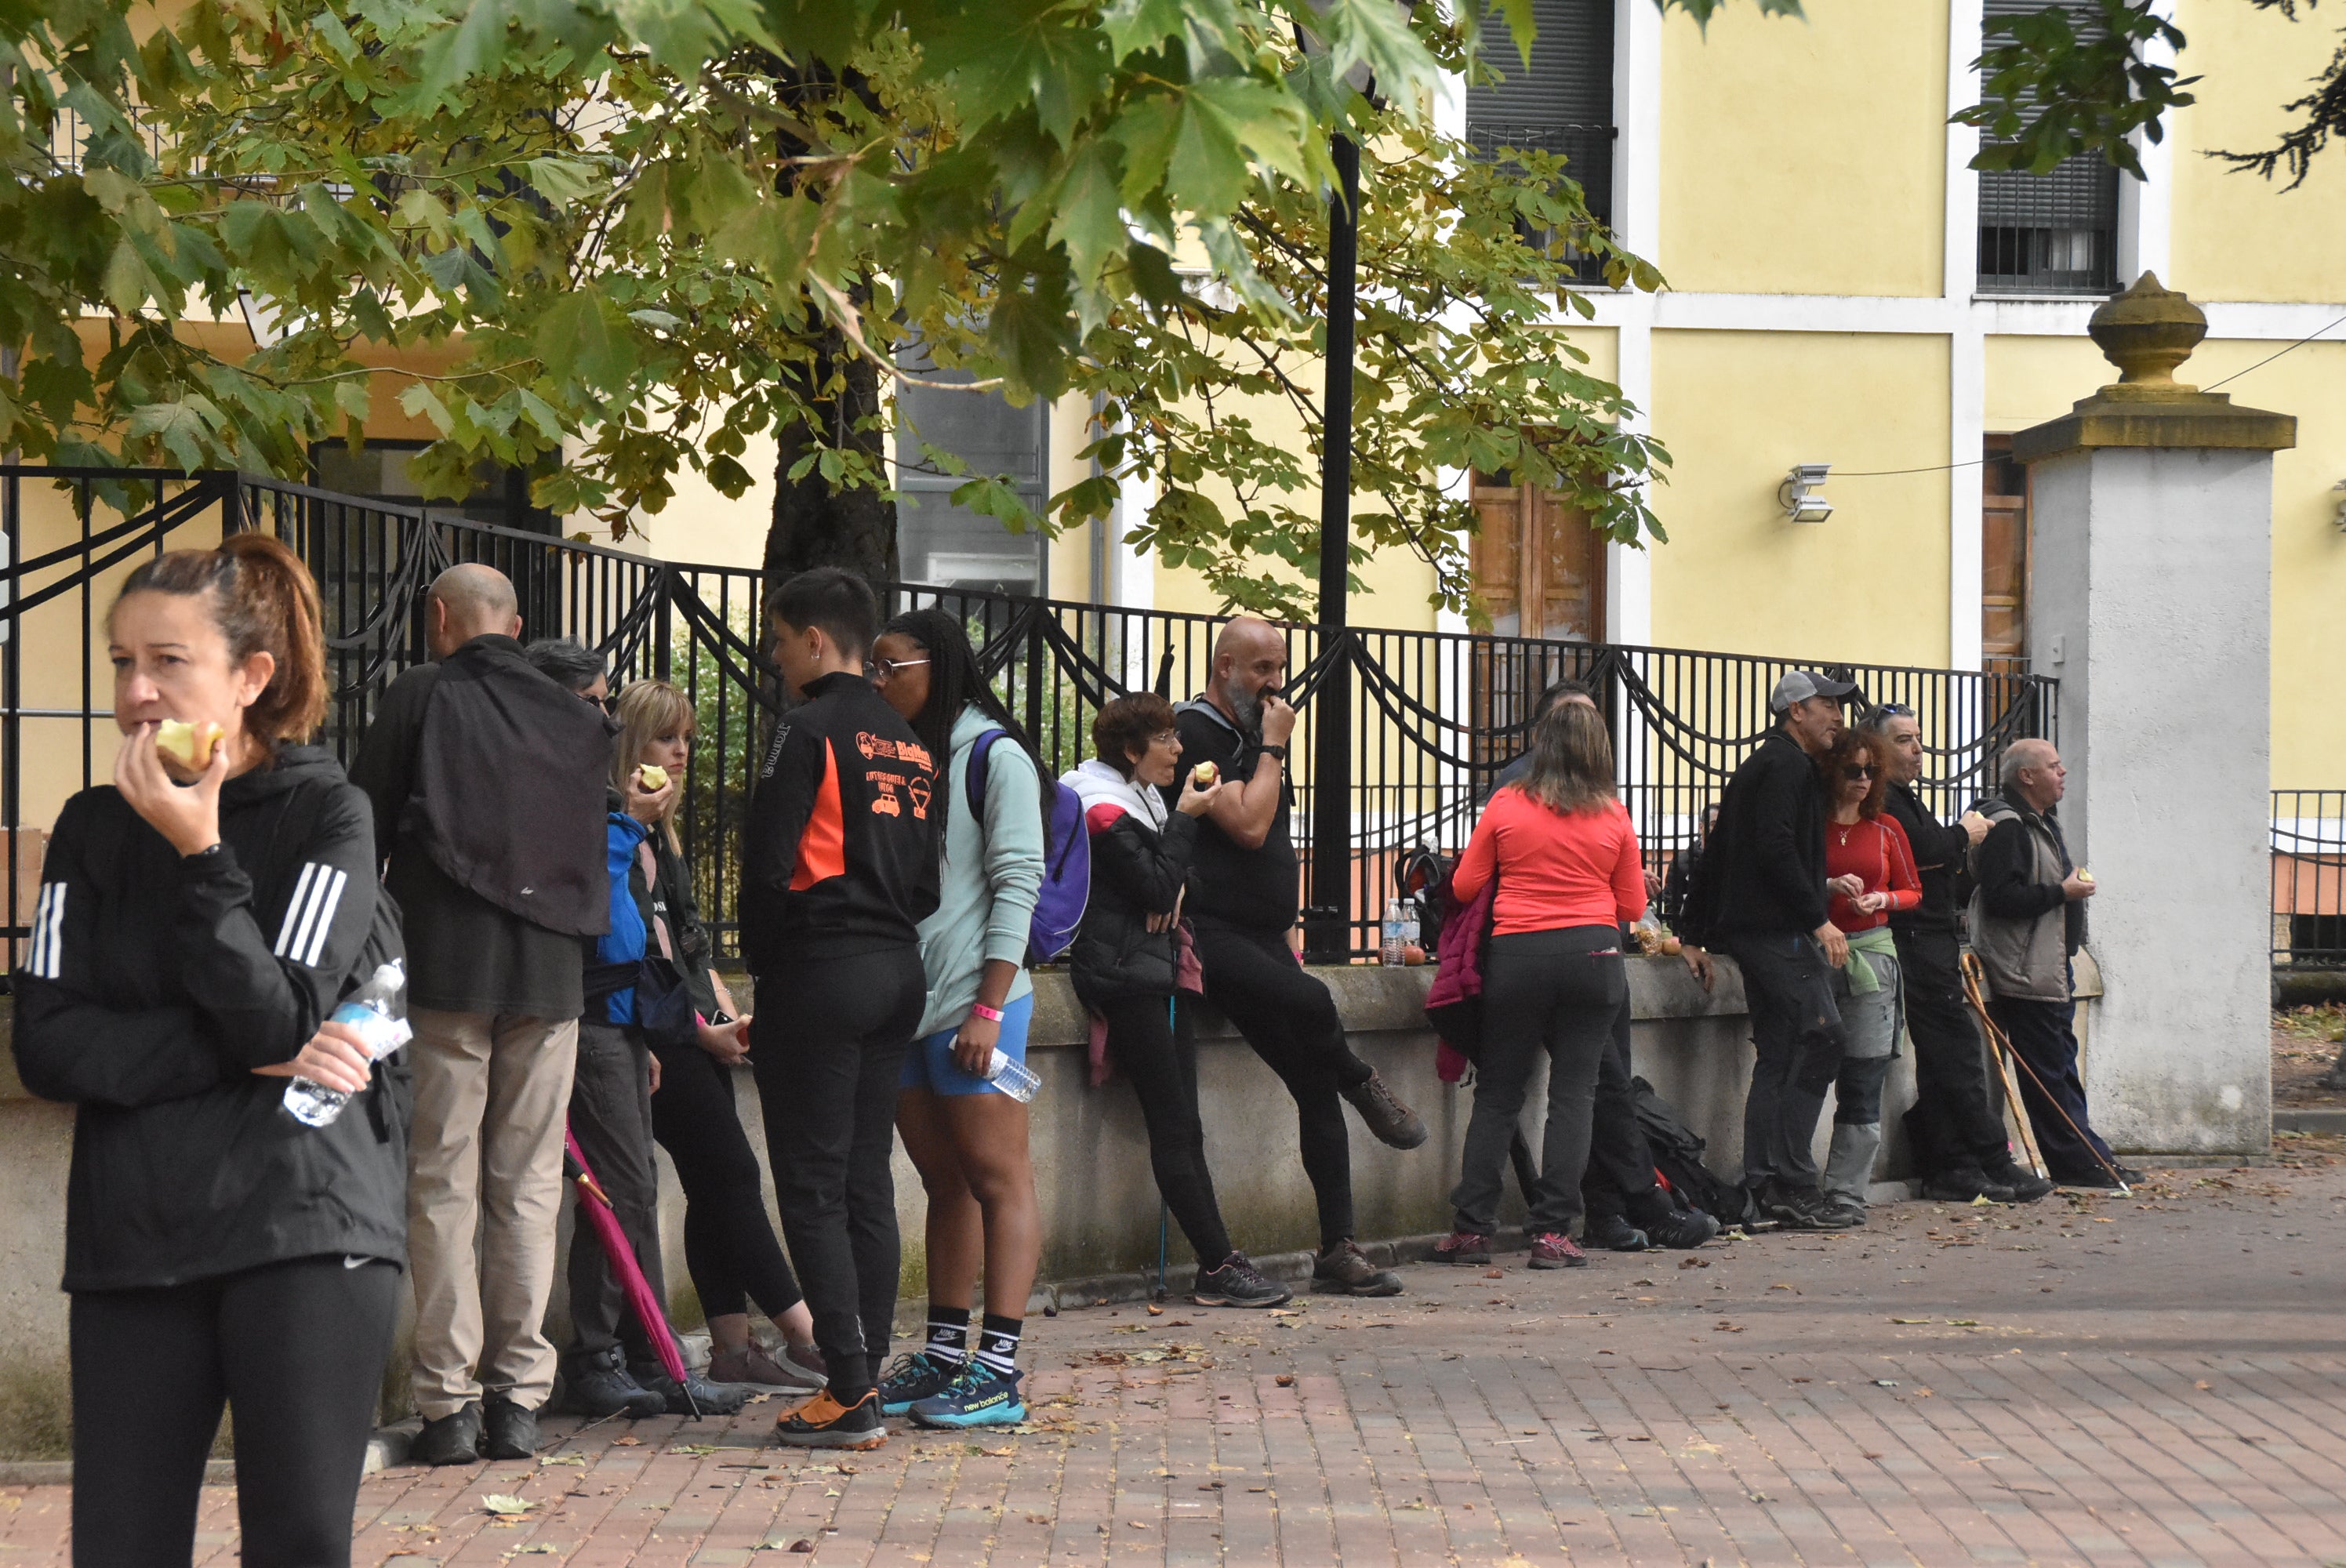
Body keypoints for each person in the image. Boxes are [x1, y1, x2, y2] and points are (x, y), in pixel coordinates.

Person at [14, 535, 406, 1564]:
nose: (138, 691)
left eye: (168, 661)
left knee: (298, 1541)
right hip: (134, 1239)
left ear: (251, 677)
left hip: (304, 1227)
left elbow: (278, 1018)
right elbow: (48, 1046)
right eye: (122, 663)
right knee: (121, 1546)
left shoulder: (331, 814)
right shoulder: (92, 829)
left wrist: (200, 851)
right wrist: (250, 1051)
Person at [350, 564, 616, 1465]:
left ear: (439, 618)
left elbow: (365, 828)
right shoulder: (579, 717)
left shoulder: (420, 695)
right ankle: (518, 1399)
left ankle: (448, 1404)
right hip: (550, 980)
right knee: (530, 1187)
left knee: (443, 1181)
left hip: (444, 972)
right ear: (517, 621)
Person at [743, 568, 942, 1449]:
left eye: (781, 639)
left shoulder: (806, 726)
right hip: (898, 965)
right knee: (865, 1173)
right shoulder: (908, 739)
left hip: (822, 966)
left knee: (812, 1181)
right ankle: (873, 1366)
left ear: (816, 640)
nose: (778, 656)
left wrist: (765, 970)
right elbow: (929, 881)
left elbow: (766, 864)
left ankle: (847, 1385)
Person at [526, 641, 746, 1421]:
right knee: (622, 1190)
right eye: (595, 701)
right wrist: (628, 824)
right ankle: (619, 1356)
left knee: (630, 1188)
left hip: (621, 1020)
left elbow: (660, 936)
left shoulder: (632, 815)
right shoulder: (574, 794)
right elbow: (589, 902)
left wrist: (656, 1033)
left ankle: (632, 1352)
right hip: (585, 1014)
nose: (604, 715)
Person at [1170, 617, 1421, 1298]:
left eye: (1279, 667)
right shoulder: (1195, 734)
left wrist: (1286, 933)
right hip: (1210, 934)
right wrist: (1275, 748)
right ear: (1224, 666)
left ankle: (1338, 1249)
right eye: (1261, 669)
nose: (1276, 683)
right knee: (1317, 1004)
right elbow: (1249, 827)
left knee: (1314, 1082)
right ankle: (1362, 1077)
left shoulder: (1252, 740)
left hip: (1264, 937)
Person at [609, 677, 830, 1388]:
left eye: (686, 741)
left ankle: (734, 1349)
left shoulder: (658, 829)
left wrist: (716, 1002)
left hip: (690, 1027)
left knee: (715, 1185)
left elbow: (684, 937)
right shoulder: (615, 826)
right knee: (731, 1174)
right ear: (629, 745)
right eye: (665, 739)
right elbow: (622, 951)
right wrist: (689, 1025)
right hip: (654, 1037)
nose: (679, 755)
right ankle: (806, 1333)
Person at [867, 609, 1048, 1429]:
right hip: (913, 1007)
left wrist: (985, 1004)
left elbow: (1019, 881)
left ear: (933, 665)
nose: (877, 680)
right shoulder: (904, 755)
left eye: (889, 665)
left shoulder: (993, 755)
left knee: (996, 1175)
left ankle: (999, 1368)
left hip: (981, 1009)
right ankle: (944, 1351)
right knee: (945, 1181)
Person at [1065, 693, 1295, 1310]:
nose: (1178, 749)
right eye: (1165, 739)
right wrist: (1186, 821)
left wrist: (1173, 865)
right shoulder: (1100, 805)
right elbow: (1160, 880)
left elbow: (1186, 882)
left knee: (1186, 1124)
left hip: (1154, 968)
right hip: (1126, 975)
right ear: (1133, 751)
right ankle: (1218, 1265)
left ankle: (1218, 1261)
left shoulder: (1138, 798)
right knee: (1173, 1124)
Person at [1491, 679, 1716, 1253]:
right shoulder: (1520, 786)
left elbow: (1628, 896)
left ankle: (1608, 1211)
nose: (1588, 732)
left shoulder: (1600, 797)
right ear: (1546, 731)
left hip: (1589, 952)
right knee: (1599, 1087)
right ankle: (1637, 1203)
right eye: (1577, 720)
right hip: (1569, 953)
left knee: (1597, 1087)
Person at [1437, 702, 1648, 1268]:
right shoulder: (1614, 815)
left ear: (1540, 745)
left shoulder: (1507, 803)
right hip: (1595, 958)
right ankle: (1553, 1233)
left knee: (1500, 1092)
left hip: (1519, 955)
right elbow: (1632, 904)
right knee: (1574, 1094)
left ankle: (1472, 1230)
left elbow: (1463, 885)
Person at [1678, 669, 1858, 1232]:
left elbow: (1727, 852)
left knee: (1782, 1053)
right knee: (1823, 1038)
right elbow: (1772, 846)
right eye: (1828, 704)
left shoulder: (1768, 764)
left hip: (1759, 931)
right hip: (1776, 935)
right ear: (1796, 711)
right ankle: (1791, 1183)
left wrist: (1691, 932)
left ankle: (1767, 1185)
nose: (1838, 716)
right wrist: (1817, 919)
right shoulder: (1785, 765)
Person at [1861, 706, 2053, 1204]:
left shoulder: (1902, 797)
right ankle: (1980, 1160)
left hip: (1932, 938)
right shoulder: (1882, 798)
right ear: (1878, 747)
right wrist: (1963, 836)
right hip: (1914, 940)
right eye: (1904, 740)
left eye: (1918, 738)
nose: (1917, 749)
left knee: (1950, 1057)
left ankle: (1960, 1162)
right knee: (1955, 1054)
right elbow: (1920, 850)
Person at [1970, 739, 2141, 1190]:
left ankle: (2090, 1157)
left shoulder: (2040, 821)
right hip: (2024, 972)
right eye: (2054, 766)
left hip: (2048, 966)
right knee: (2049, 1074)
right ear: (2026, 776)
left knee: (2061, 1067)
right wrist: (2062, 893)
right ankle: (2081, 1163)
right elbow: (2001, 898)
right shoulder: (2007, 827)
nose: (2063, 772)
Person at [1812, 729, 1921, 1225]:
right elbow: (1787, 878)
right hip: (1816, 953)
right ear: (1833, 770)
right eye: (1852, 770)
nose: (1861, 780)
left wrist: (1884, 899)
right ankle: (1795, 1180)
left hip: (1872, 956)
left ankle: (1846, 1192)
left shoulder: (1886, 829)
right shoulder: (1809, 824)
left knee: (1864, 1073)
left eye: (1871, 772)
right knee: (1804, 1069)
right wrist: (1828, 886)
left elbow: (1913, 889)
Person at [1658, 803, 1721, 931]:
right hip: (1691, 939)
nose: (1719, 830)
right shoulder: (1681, 863)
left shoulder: (1733, 862)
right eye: (1714, 824)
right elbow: (1672, 909)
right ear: (1701, 827)